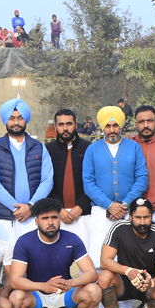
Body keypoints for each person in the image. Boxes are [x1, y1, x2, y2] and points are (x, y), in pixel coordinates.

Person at [6, 197, 102, 308]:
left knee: (94, 291)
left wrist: (71, 283)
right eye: (45, 218)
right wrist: (44, 286)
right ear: (36, 221)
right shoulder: (24, 242)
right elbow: (15, 280)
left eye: (54, 217)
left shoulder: (72, 239)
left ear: (59, 218)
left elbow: (91, 273)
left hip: (65, 294)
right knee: (15, 297)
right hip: (36, 297)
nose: (50, 222)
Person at [0, 98, 54, 247]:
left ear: (25, 120)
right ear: (6, 120)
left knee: (34, 257)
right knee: (8, 258)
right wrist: (15, 208)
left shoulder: (39, 147)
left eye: (20, 118)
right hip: (5, 219)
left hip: (33, 217)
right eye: (12, 118)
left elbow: (47, 180)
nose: (16, 122)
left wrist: (30, 206)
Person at [83, 105, 148, 261]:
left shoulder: (134, 147)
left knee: (129, 256)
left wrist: (124, 205)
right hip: (101, 212)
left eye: (115, 125)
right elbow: (88, 183)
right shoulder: (92, 150)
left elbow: (142, 179)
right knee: (99, 257)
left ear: (121, 126)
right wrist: (109, 205)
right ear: (102, 127)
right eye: (108, 126)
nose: (112, 130)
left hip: (128, 211)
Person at [45, 109, 94, 255]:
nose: (65, 128)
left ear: (76, 125)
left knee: (87, 259)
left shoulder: (88, 148)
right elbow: (45, 183)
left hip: (84, 214)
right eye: (61, 124)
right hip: (57, 215)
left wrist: (81, 206)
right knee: (55, 259)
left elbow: (94, 181)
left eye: (69, 124)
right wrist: (58, 208)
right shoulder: (47, 150)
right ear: (55, 126)